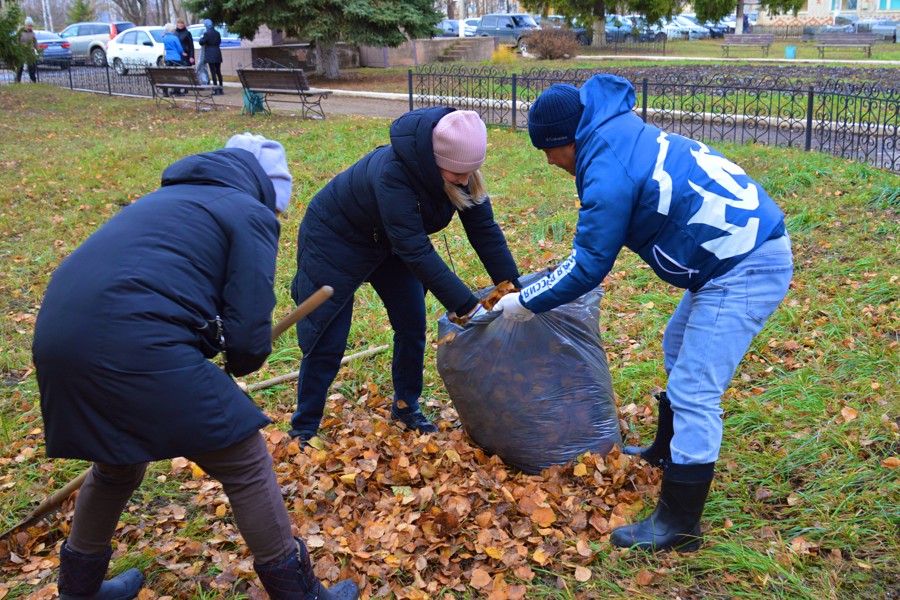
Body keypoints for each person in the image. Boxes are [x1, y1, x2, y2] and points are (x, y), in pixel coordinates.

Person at [32, 134, 359, 600]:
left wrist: (204, 341)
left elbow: (168, 286)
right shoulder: (249, 211)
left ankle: (78, 592)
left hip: (59, 337)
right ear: (267, 190)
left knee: (117, 463)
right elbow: (247, 334)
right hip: (135, 341)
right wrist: (240, 357)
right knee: (244, 459)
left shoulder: (166, 200)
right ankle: (300, 595)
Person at [494, 75, 793, 552]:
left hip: (744, 265)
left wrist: (526, 301)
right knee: (676, 344)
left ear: (565, 141)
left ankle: (679, 524)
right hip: (730, 254)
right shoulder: (618, 131)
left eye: (548, 151)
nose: (549, 162)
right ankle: (666, 451)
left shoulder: (605, 167)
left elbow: (589, 262)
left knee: (696, 388)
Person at [289, 108, 520, 443]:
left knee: (411, 323)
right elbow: (415, 250)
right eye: (456, 173)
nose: (465, 180)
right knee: (327, 334)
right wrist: (467, 307)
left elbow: (484, 230)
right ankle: (303, 428)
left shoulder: (461, 173)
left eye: (471, 172)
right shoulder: (393, 174)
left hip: (390, 242)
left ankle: (406, 406)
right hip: (336, 238)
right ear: (433, 161)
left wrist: (512, 289)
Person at [199, 19, 224, 95]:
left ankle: (215, 89)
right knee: (218, 71)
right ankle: (221, 88)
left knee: (213, 72)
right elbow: (219, 41)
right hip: (217, 52)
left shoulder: (207, 33)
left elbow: (201, 42)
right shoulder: (217, 33)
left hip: (210, 53)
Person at [161, 23, 184, 97]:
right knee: (177, 75)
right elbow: (180, 49)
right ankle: (176, 91)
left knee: (168, 75)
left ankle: (165, 92)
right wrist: (182, 52)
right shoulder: (175, 38)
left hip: (168, 58)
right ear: (172, 30)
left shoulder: (165, 38)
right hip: (176, 58)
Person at [15, 16, 38, 84]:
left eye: (31, 26)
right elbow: (16, 42)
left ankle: (33, 80)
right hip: (22, 51)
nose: (30, 27)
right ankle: (18, 80)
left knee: (32, 66)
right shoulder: (20, 33)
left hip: (30, 52)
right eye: (29, 26)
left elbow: (35, 42)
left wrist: (37, 50)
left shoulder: (33, 33)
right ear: (26, 25)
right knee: (20, 66)